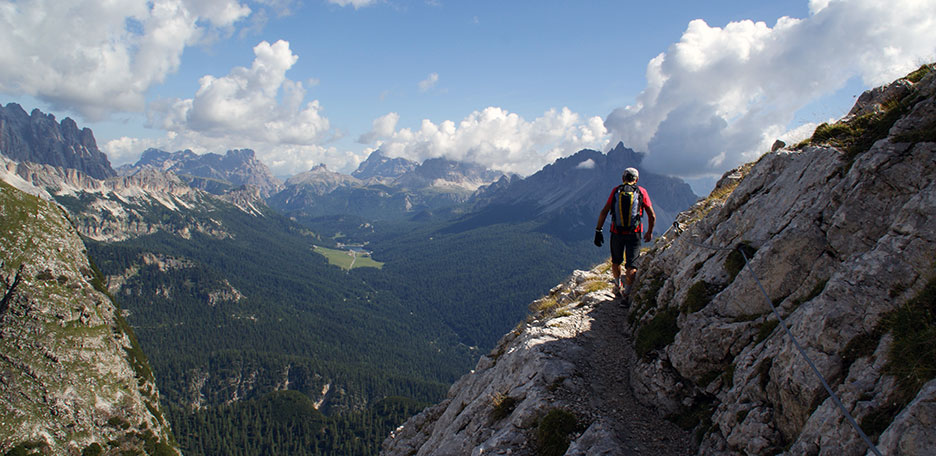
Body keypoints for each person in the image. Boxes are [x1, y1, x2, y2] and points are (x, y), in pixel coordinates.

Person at [594, 167, 655, 298]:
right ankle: (627, 294)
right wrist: (649, 232)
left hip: (616, 232)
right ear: (636, 179)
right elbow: (652, 215)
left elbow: (604, 211)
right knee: (631, 265)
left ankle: (617, 286)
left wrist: (598, 230)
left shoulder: (616, 191)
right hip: (635, 233)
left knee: (616, 261)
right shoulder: (641, 191)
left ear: (623, 178)